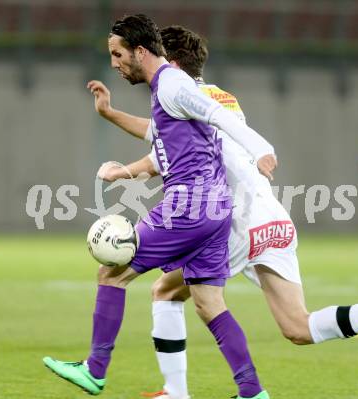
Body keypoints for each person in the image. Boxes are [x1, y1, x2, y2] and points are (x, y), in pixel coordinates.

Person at [89, 25, 358, 399]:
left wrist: (121, 168)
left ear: (170, 61)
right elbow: (158, 136)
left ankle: (182, 391)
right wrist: (112, 116)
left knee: (165, 292)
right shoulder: (220, 98)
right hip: (274, 217)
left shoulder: (178, 96)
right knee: (297, 327)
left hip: (236, 221)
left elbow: (160, 151)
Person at [43, 14, 276, 399]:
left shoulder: (172, 84)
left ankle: (95, 369)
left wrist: (262, 149)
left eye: (117, 54)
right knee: (208, 302)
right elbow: (161, 134)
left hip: (188, 205)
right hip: (217, 207)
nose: (114, 63)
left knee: (111, 272)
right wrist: (109, 115)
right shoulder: (167, 88)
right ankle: (252, 390)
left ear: (139, 51)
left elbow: (218, 116)